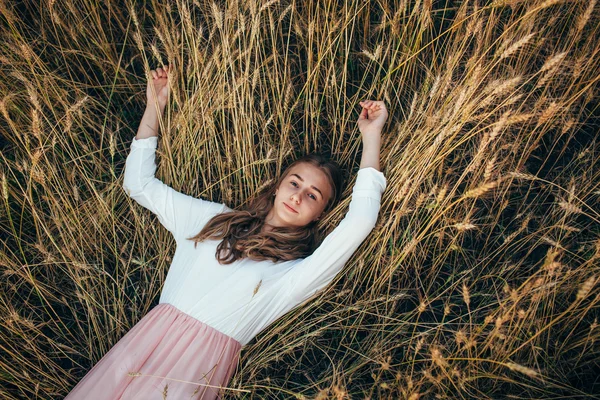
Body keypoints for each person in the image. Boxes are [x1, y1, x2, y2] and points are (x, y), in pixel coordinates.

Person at [65, 65, 388, 399]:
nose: (298, 195)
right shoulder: (214, 220)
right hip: (139, 348)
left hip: (192, 376)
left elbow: (359, 222)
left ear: (320, 213)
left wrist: (371, 136)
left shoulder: (292, 276)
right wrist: (155, 108)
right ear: (277, 186)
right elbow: (139, 184)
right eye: (295, 182)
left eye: (313, 195)